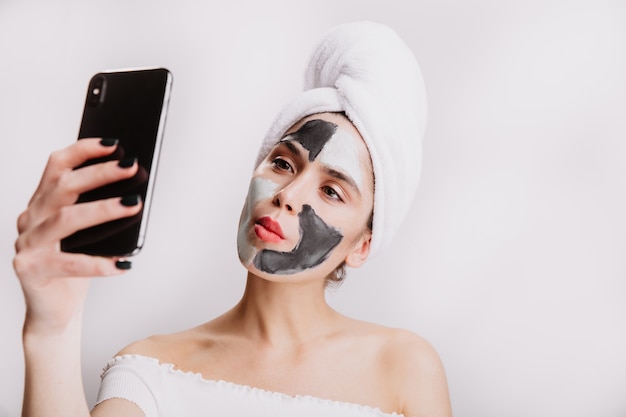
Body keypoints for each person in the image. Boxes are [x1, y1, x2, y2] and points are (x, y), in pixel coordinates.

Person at [14, 22, 452, 416]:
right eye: (283, 164)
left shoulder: (404, 366)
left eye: (331, 190)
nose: (288, 196)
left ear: (363, 245)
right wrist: (52, 329)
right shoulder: (149, 369)